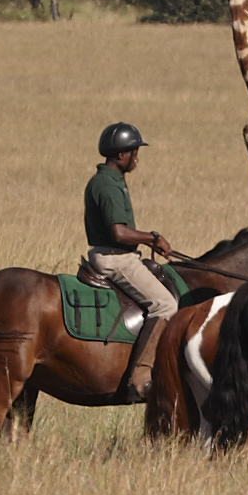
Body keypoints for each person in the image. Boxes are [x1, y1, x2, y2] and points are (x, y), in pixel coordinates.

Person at [82, 122, 181, 397]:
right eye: (134, 153)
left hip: (120, 255)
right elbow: (118, 231)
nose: (137, 158)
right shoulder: (108, 184)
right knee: (164, 304)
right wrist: (152, 237)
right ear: (121, 155)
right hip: (115, 259)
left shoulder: (110, 180)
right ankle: (141, 377)